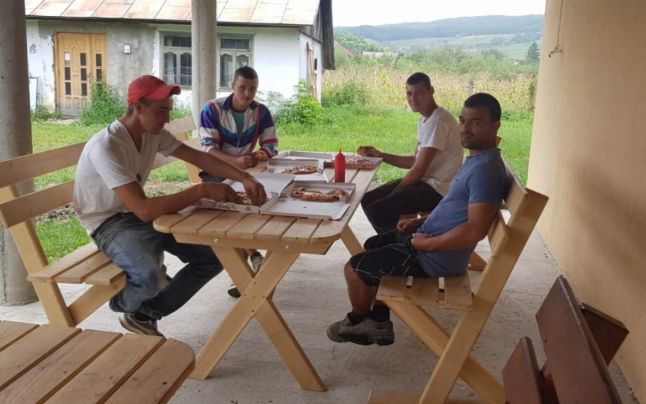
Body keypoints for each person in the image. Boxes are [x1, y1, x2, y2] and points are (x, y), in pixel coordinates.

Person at [73, 74, 267, 337]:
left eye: (169, 110)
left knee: (213, 257)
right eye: (161, 111)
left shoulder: (152, 133)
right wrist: (202, 190)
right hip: (107, 222)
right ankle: (124, 303)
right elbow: (144, 210)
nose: (167, 118)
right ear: (138, 107)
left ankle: (144, 314)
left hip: (134, 214)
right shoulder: (107, 146)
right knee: (150, 276)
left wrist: (244, 178)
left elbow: (198, 157)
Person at [327, 93, 509, 346]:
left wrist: (427, 244)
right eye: (462, 120)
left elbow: (474, 230)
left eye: (476, 122)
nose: (465, 129)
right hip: (430, 243)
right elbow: (454, 209)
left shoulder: (485, 172)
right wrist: (421, 222)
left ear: (495, 126)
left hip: (435, 258)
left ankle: (359, 321)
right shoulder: (479, 159)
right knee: (372, 245)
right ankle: (379, 319)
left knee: (353, 269)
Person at [199, 65, 278, 298]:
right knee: (233, 208)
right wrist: (234, 162)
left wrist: (256, 156)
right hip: (215, 171)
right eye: (242, 87)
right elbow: (208, 148)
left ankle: (246, 273)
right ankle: (253, 257)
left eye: (252, 89)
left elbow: (271, 145)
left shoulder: (261, 112)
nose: (247, 93)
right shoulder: (212, 109)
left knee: (268, 197)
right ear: (232, 86)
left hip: (248, 168)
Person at [357, 72, 463, 235]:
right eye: (409, 93)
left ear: (431, 91)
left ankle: (401, 244)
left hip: (437, 190)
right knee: (368, 199)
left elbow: (418, 170)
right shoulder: (426, 119)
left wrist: (396, 193)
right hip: (425, 183)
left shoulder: (438, 121)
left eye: (418, 93)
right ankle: (396, 241)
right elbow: (415, 161)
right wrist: (381, 155)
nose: (413, 99)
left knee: (378, 211)